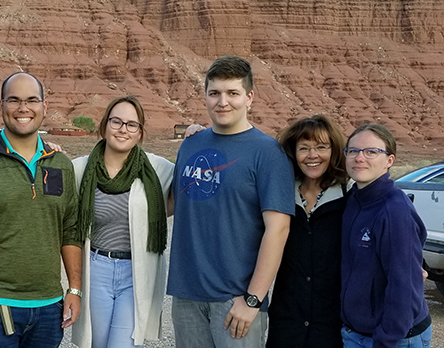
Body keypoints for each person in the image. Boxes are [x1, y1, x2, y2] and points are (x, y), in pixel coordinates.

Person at [0, 72, 83, 348]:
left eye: (32, 100)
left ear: (44, 107)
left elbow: (70, 230)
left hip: (48, 308)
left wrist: (74, 288)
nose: (23, 108)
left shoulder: (61, 165)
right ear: (1, 106)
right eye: (14, 100)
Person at [168, 55, 294, 348]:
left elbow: (278, 230)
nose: (222, 102)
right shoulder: (190, 145)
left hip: (235, 300)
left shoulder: (269, 153)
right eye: (214, 93)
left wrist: (253, 299)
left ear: (249, 98)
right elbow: (173, 202)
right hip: (186, 295)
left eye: (232, 93)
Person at [71, 95, 174, 348]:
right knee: (98, 344)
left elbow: (192, 179)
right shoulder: (80, 169)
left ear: (140, 132)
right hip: (96, 269)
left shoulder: (157, 168)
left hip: (136, 272)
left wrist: (195, 133)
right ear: (105, 125)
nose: (123, 129)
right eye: (116, 121)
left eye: (131, 124)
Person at [340, 124, 431, 348]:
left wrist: (386, 340)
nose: (360, 158)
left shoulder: (393, 210)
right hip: (357, 332)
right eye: (353, 151)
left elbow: (404, 286)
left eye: (371, 151)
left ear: (389, 160)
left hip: (394, 338)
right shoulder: (354, 200)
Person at [266, 115, 349, 348]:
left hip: (332, 322)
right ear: (293, 153)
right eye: (304, 148)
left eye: (321, 147)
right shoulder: (280, 191)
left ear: (334, 151)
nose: (312, 156)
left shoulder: (349, 193)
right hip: (287, 319)